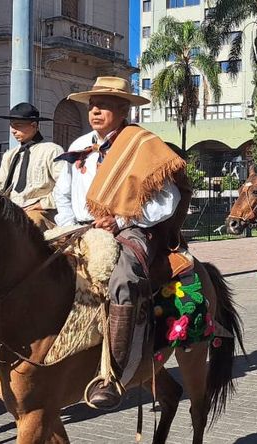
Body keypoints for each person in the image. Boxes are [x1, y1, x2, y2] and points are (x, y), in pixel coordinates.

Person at [53, 76, 190, 409]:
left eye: (104, 105)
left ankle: (112, 373)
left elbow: (166, 200)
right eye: (92, 105)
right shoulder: (79, 145)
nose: (96, 111)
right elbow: (63, 192)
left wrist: (120, 220)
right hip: (80, 227)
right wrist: (72, 227)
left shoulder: (143, 143)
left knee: (124, 278)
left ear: (123, 109)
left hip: (133, 228)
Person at [0, 103, 65, 231]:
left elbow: (65, 186)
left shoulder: (52, 150)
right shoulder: (10, 155)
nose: (13, 130)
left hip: (41, 212)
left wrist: (43, 203)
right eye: (12, 125)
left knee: (29, 223)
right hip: (13, 210)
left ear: (34, 125)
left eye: (18, 126)